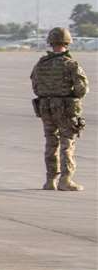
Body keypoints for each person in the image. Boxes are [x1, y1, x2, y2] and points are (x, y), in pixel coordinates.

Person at [31, 26, 86, 191]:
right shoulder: (70, 64)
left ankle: (50, 180)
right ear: (67, 42)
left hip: (46, 107)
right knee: (67, 142)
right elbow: (81, 89)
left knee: (50, 142)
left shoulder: (41, 64)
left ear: (50, 42)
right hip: (65, 109)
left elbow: (35, 86)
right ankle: (66, 179)